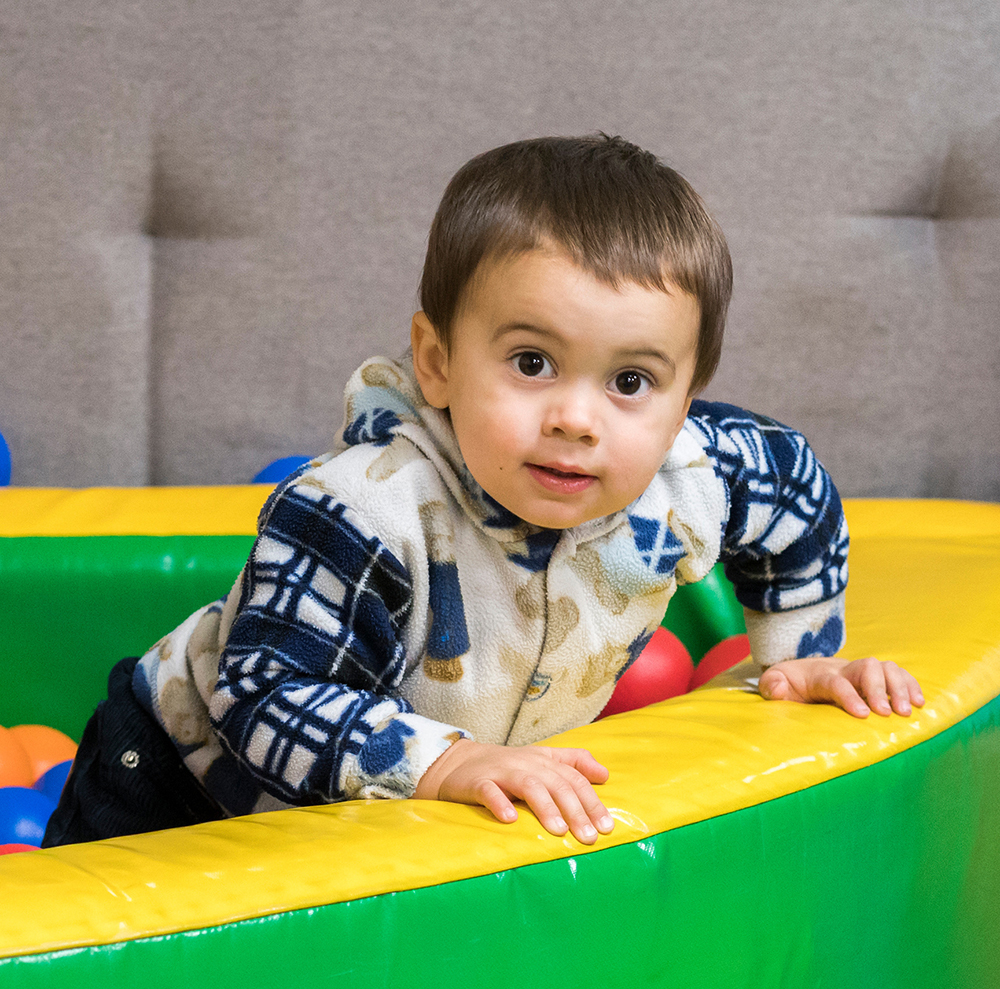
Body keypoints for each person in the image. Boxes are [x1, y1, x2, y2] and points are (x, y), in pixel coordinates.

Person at [44, 134, 923, 849]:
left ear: (684, 401)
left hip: (396, 801)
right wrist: (444, 764)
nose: (578, 419)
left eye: (631, 382)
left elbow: (793, 492)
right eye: (532, 363)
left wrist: (800, 652)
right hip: (180, 779)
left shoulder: (700, 475)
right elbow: (266, 692)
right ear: (438, 362)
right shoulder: (361, 509)